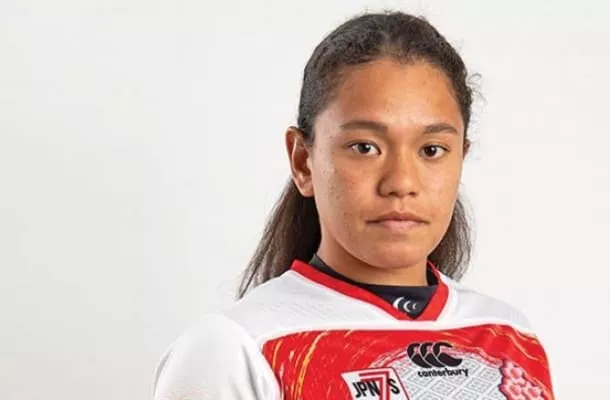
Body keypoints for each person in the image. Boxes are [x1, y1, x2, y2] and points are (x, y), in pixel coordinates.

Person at [153, 10, 553, 400]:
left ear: (460, 159)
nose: (401, 183)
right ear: (303, 161)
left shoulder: (509, 337)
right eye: (365, 147)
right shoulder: (236, 350)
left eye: (432, 150)